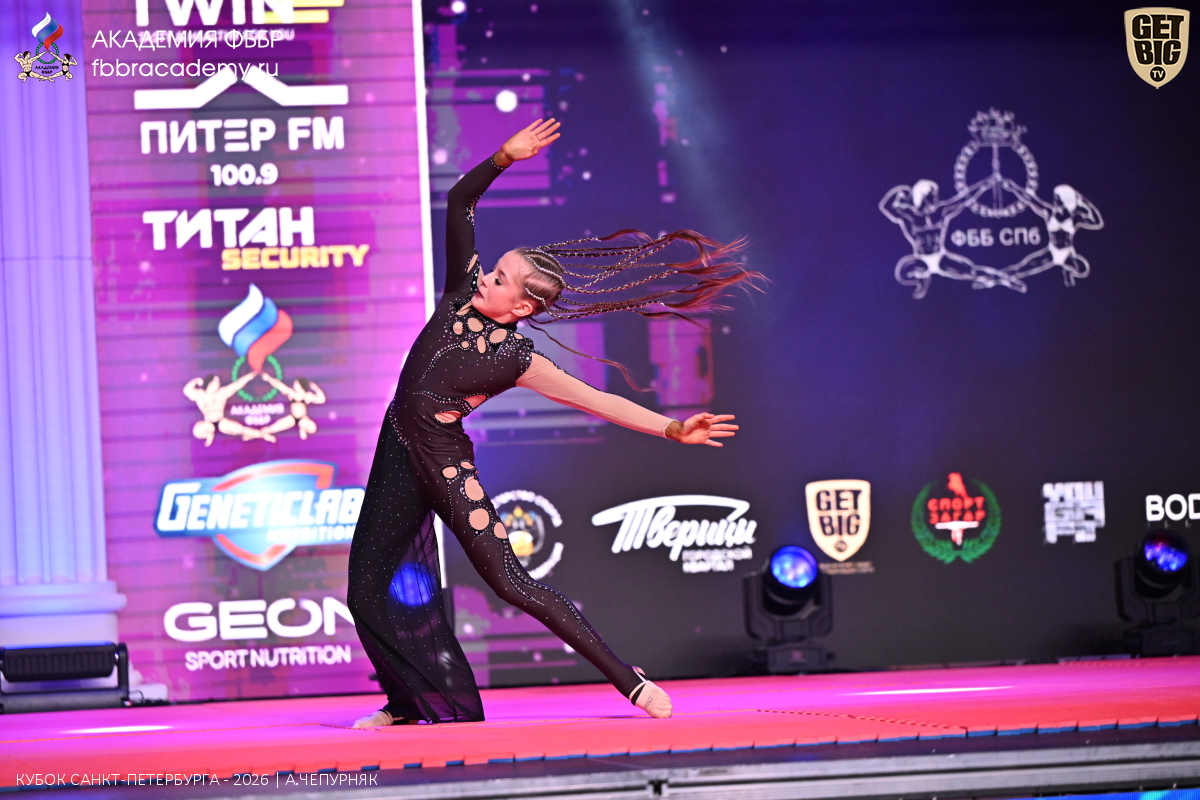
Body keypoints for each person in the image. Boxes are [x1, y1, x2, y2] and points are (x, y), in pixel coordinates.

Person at [346, 119, 756, 727]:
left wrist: (671, 429)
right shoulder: (460, 293)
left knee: (512, 583)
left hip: (444, 465)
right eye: (492, 269)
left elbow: (598, 401)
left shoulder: (518, 360)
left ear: (521, 306)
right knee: (364, 590)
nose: (485, 276)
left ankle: (629, 680)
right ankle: (409, 704)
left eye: (499, 279)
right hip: (396, 452)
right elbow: (460, 202)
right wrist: (501, 158)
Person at [879, 176, 1025, 298]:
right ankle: (920, 283)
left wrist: (984, 185)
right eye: (931, 196)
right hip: (920, 258)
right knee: (904, 272)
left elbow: (963, 200)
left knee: (972, 271)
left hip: (939, 258)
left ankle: (1004, 279)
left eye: (934, 196)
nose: (934, 200)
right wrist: (901, 192)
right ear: (921, 197)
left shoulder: (940, 212)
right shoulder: (910, 217)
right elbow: (886, 206)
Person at [998, 178, 1103, 287]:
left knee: (1082, 269)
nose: (1055, 202)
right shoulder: (1048, 212)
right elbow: (1030, 200)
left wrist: (1083, 201)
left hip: (1067, 254)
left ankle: (1067, 273)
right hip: (1052, 252)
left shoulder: (1075, 218)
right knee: (1024, 267)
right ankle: (998, 277)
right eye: (1055, 200)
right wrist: (1013, 188)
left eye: (1058, 200)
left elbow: (1097, 222)